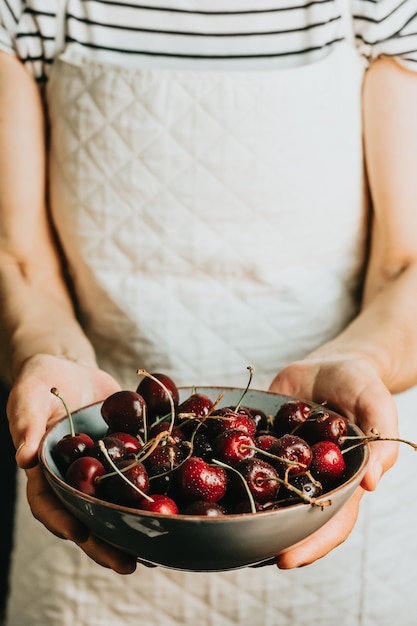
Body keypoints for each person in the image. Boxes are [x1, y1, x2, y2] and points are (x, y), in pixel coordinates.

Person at [1, 0, 417, 624]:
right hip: (98, 489)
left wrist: (362, 360)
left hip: (318, 499)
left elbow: (405, 262)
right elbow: (20, 257)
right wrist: (48, 358)